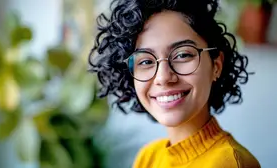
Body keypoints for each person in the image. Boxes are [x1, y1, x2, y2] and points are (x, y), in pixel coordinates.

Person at [88, 0, 260, 167]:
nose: (163, 77)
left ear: (216, 65)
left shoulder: (229, 162)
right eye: (146, 61)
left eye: (182, 55)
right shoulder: (148, 157)